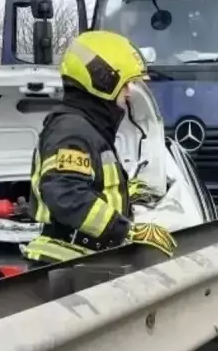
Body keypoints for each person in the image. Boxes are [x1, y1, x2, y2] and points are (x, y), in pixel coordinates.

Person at [22, 30, 177, 266]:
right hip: (65, 265)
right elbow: (66, 194)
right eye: (125, 85)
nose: (128, 94)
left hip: (78, 262)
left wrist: (128, 192)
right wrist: (126, 231)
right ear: (105, 81)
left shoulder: (87, 129)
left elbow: (90, 185)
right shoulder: (73, 130)